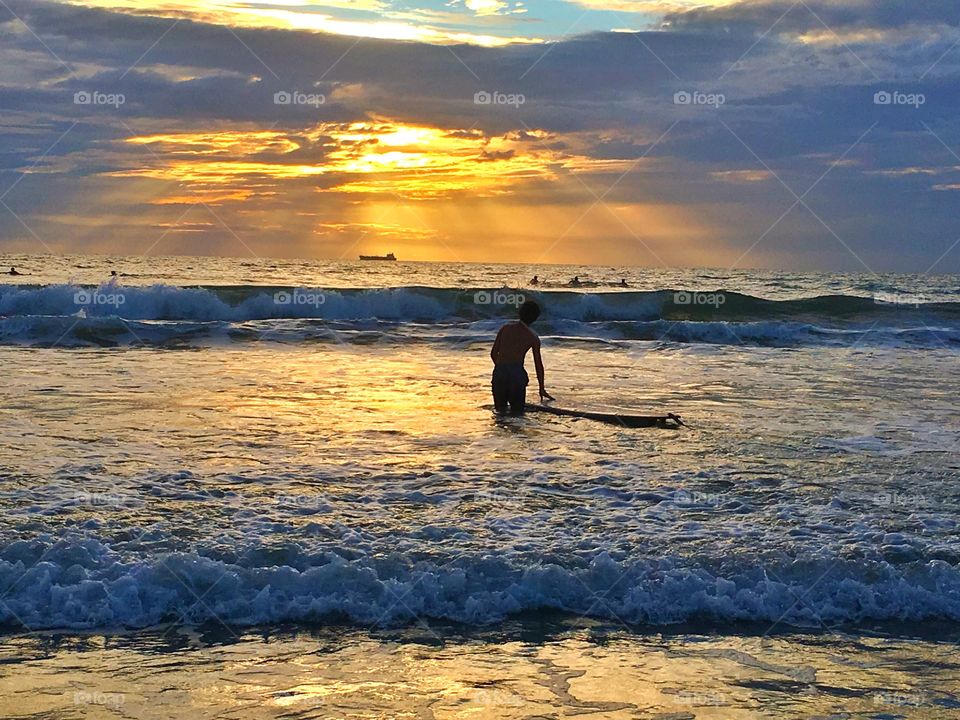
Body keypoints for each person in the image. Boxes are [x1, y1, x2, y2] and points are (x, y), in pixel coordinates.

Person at [490, 300, 553, 415]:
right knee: (517, 414)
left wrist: (501, 367)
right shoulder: (533, 337)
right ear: (535, 318)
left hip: (500, 372)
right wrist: (541, 388)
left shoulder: (505, 329)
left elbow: (493, 353)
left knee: (500, 413)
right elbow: (538, 365)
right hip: (516, 374)